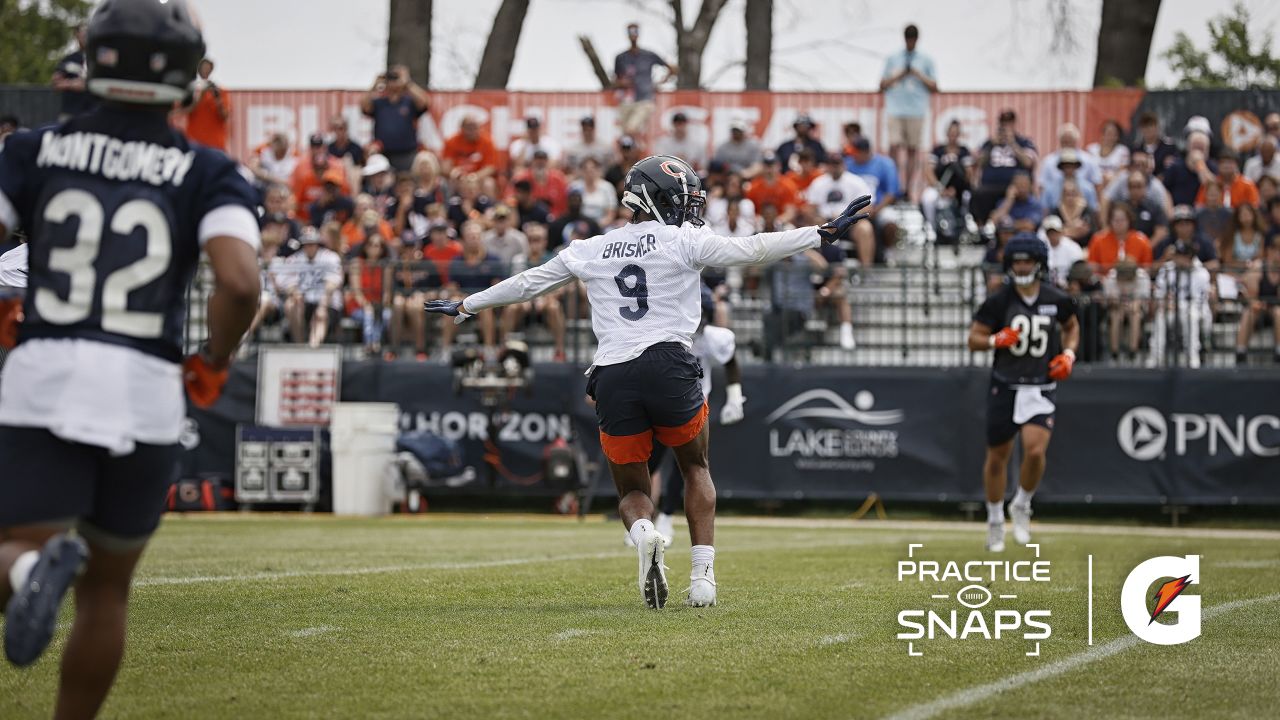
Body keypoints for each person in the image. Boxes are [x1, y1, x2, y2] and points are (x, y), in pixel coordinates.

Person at [425, 155, 872, 608]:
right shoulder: (683, 240)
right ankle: (702, 577)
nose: (687, 208)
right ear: (657, 198)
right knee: (695, 467)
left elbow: (528, 283)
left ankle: (643, 534)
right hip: (668, 363)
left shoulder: (589, 248)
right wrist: (820, 233)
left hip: (613, 372)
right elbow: (753, 247)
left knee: (634, 491)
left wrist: (468, 306)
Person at [0, 3, 260, 717]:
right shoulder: (208, 170)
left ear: (93, 57)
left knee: (14, 545)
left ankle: (28, 572)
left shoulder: (31, 151)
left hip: (46, 367)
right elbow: (240, 283)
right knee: (107, 591)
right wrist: (212, 357)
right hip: (146, 384)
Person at [967, 234, 1079, 552]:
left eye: (1027, 260)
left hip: (1040, 385)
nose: (1021, 266)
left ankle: (1022, 503)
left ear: (1039, 263)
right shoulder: (998, 301)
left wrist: (1069, 354)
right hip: (1005, 384)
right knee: (997, 458)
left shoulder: (1056, 298)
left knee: (1034, 451)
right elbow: (973, 338)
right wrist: (994, 340)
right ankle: (993, 520)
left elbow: (1072, 326)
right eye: (1016, 261)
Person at [879, 24, 937, 198]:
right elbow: (882, 85)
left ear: (916, 39)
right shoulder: (893, 58)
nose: (910, 41)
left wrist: (917, 74)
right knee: (895, 147)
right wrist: (902, 73)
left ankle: (907, 188)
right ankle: (895, 184)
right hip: (895, 109)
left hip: (916, 110)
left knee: (912, 150)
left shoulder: (926, 59)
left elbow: (934, 86)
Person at [1148, 240, 1211, 368]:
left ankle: (1192, 358)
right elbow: (1159, 295)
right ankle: (1156, 358)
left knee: (1191, 316)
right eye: (1179, 255)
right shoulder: (1166, 270)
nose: (1181, 259)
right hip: (1171, 309)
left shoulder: (1201, 273)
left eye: (1185, 255)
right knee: (1160, 316)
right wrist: (1165, 302)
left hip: (1194, 309)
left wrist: (1179, 304)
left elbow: (1199, 300)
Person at [360, 65, 429, 172]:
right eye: (390, 78)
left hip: (406, 153)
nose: (392, 81)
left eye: (395, 78)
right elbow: (364, 106)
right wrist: (375, 84)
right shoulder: (379, 103)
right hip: (383, 152)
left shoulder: (409, 101)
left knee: (406, 181)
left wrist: (407, 83)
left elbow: (425, 103)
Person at [973, 109, 1037, 224]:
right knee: (977, 194)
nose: (1006, 126)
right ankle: (982, 227)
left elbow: (1028, 162)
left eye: (1009, 123)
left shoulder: (1024, 142)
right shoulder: (989, 143)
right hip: (990, 186)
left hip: (1015, 185)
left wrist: (1012, 143)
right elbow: (979, 163)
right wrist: (991, 145)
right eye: (1003, 123)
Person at [613, 23, 676, 138]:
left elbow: (673, 68)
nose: (633, 35)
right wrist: (622, 83)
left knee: (631, 129)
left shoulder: (648, 55)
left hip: (645, 99)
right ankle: (635, 151)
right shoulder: (621, 57)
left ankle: (637, 150)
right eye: (631, 32)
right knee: (625, 136)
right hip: (627, 100)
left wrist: (660, 82)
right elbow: (615, 81)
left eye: (635, 32)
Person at [284, 229, 344, 347]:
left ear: (318, 244)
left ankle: (313, 347)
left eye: (312, 244)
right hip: (303, 300)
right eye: (306, 244)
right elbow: (288, 283)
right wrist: (295, 293)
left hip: (327, 301)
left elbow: (332, 284)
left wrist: (322, 306)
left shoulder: (330, 257)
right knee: (290, 305)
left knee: (320, 315)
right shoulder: (294, 259)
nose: (309, 247)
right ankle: (299, 344)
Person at [1236, 238, 1280, 365]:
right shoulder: (1258, 267)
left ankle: (1279, 353)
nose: (1278, 255)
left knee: (1278, 312)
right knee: (1249, 312)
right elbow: (1252, 297)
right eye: (1275, 250)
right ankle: (1240, 353)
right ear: (1269, 251)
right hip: (1258, 309)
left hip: (1276, 310)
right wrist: (1257, 304)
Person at [178, 58, 230, 152]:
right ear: (198, 70)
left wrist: (217, 99)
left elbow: (225, 116)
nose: (205, 70)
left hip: (215, 143)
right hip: (195, 142)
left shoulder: (220, 91)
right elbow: (184, 111)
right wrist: (200, 95)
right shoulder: (191, 90)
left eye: (207, 68)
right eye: (203, 68)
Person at [51, 25, 96, 121]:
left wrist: (86, 84)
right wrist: (73, 84)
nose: (86, 36)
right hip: (70, 113)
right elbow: (56, 83)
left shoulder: (98, 58)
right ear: (77, 35)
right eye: (83, 33)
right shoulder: (69, 59)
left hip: (94, 112)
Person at [441, 116, 499, 181]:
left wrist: (475, 176)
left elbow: (491, 168)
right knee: (443, 181)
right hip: (458, 178)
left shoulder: (487, 142)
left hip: (479, 177)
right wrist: (455, 173)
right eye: (468, 128)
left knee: (488, 183)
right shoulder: (452, 142)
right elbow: (445, 166)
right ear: (462, 129)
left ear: (480, 128)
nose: (472, 131)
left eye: (475, 128)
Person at [1041, 215, 1083, 288]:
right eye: (1050, 233)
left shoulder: (1073, 247)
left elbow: (1079, 268)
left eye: (1055, 232)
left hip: (1068, 285)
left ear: (1061, 231)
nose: (1053, 235)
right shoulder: (1042, 247)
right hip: (1047, 285)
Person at [1087, 119, 1129, 188]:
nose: (1110, 137)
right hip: (1094, 185)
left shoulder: (1122, 151)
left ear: (1118, 137)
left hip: (1114, 186)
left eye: (1114, 134)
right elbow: (1087, 171)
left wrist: (1110, 179)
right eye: (1108, 133)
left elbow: (1122, 173)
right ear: (1102, 134)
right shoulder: (1091, 149)